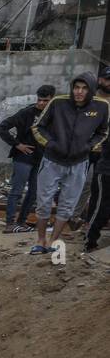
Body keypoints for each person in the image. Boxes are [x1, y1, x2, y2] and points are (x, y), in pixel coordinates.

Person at [29, 71, 110, 255]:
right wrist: (50, 144)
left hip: (79, 163)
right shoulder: (58, 103)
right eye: (76, 87)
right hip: (52, 160)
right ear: (72, 88)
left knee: (68, 204)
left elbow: (103, 132)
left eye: (83, 88)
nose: (79, 92)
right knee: (43, 202)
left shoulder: (101, 106)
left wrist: (88, 147)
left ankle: (54, 240)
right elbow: (38, 127)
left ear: (90, 90)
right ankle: (40, 240)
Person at [0, 84, 55, 233]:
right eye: (39, 100)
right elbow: (1, 127)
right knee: (17, 190)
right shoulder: (27, 113)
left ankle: (21, 222)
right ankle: (10, 223)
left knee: (34, 192)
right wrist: (17, 145)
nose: (41, 103)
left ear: (52, 100)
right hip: (23, 157)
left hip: (42, 159)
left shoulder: (55, 114)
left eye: (45, 100)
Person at [82, 67, 110, 251]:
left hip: (103, 156)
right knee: (99, 202)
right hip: (99, 159)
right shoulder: (92, 102)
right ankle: (89, 237)